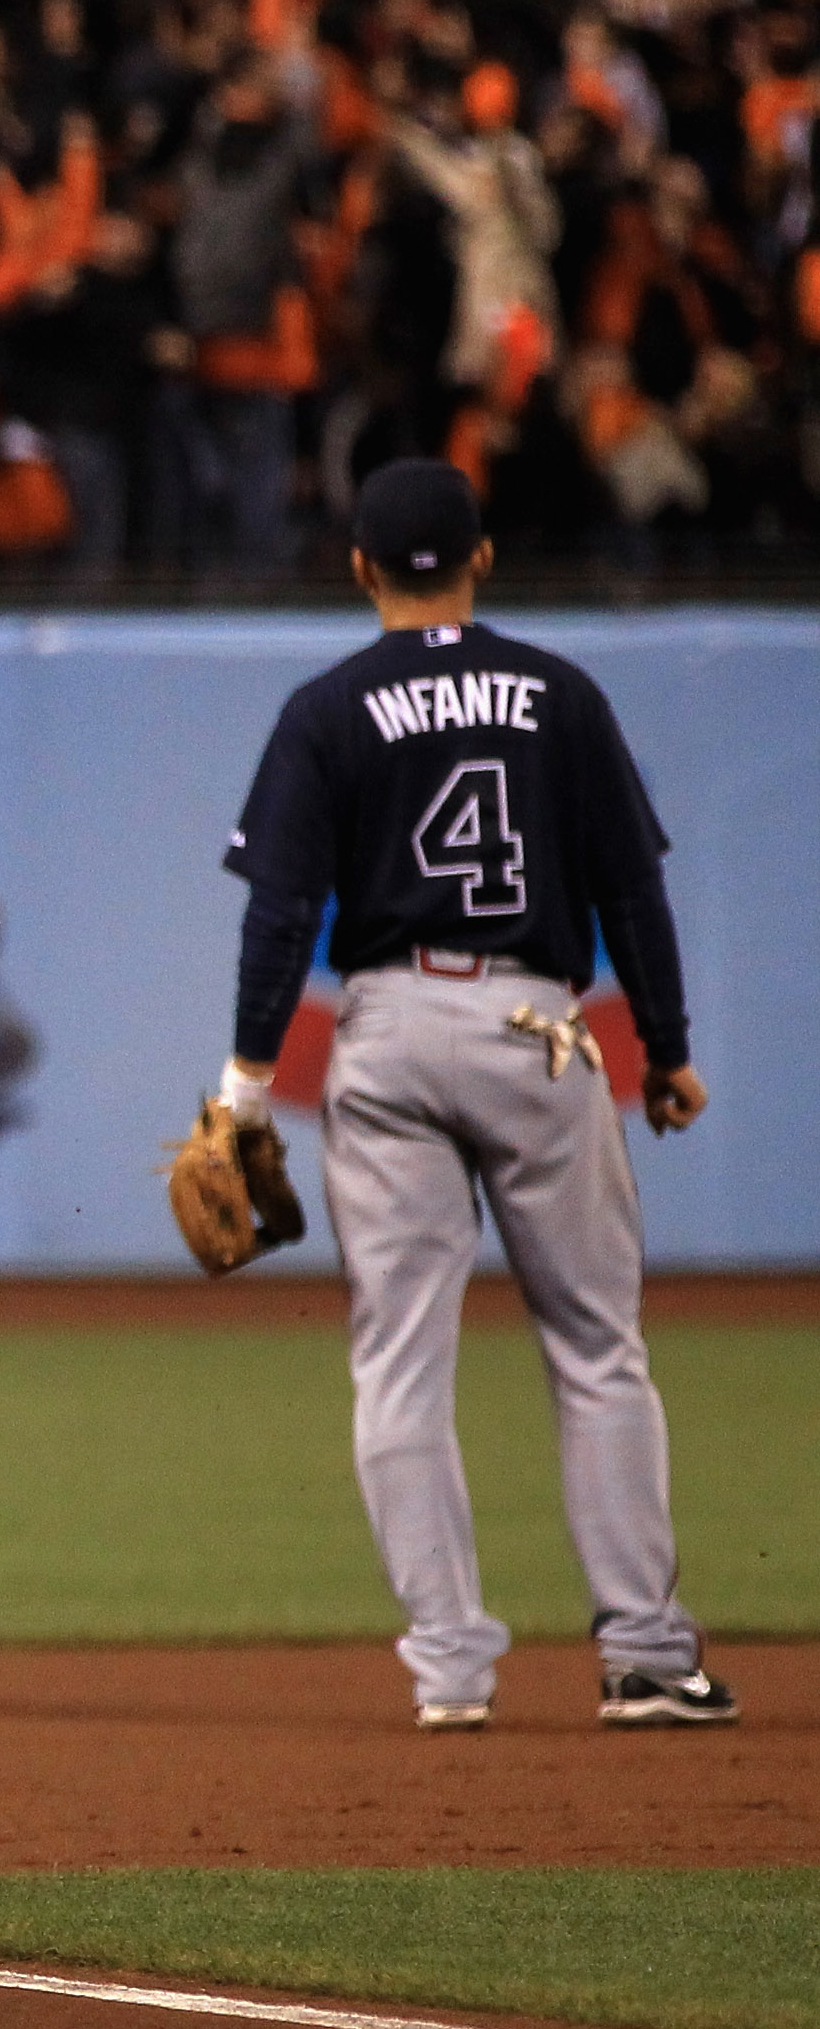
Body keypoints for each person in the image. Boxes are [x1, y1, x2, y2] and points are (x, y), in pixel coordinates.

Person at [215, 458, 729, 1736]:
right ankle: (648, 1660)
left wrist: (241, 1086)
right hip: (532, 1025)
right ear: (483, 558)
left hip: (385, 1030)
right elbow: (630, 895)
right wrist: (662, 1048)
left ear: (360, 569)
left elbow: (283, 915)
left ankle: (450, 1670)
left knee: (398, 1366)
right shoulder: (559, 693)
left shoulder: (328, 708)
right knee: (599, 1351)